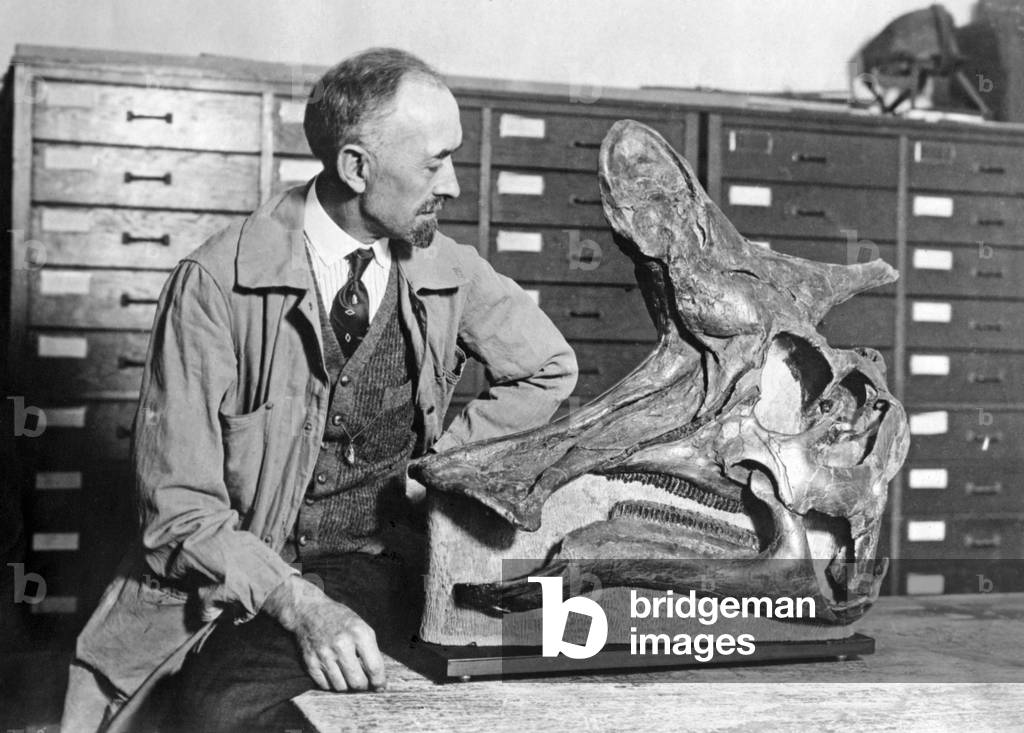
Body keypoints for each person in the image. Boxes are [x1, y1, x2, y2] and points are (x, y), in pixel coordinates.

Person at [61, 47, 577, 732]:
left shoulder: (448, 266)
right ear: (357, 166)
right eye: (433, 163)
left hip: (399, 564)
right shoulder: (216, 283)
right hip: (259, 578)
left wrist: (439, 469)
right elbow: (178, 513)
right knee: (222, 710)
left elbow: (548, 366)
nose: (451, 182)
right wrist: (300, 604)